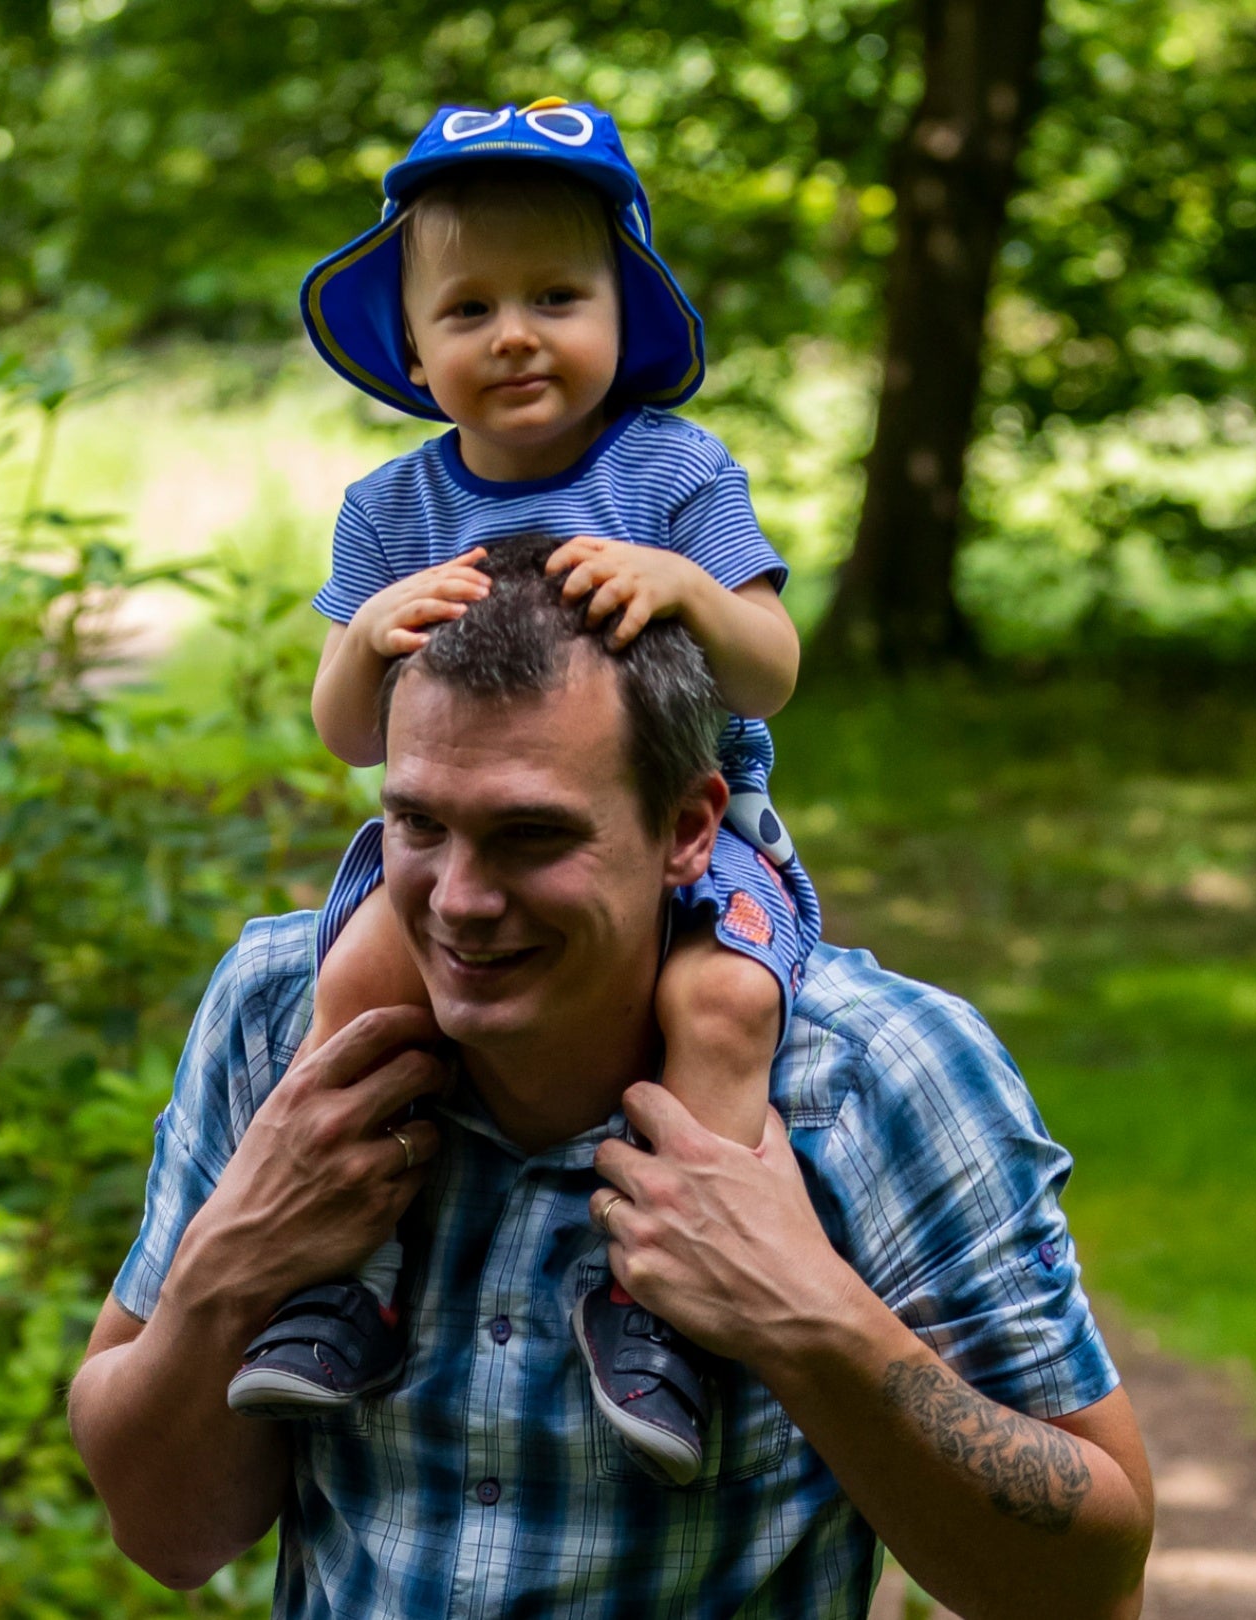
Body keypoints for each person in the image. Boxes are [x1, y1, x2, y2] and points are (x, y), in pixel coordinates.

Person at [67, 543, 1154, 1615]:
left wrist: (809, 1320)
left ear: (688, 828)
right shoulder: (279, 1015)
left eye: (531, 836)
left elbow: (1087, 1590)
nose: (459, 898)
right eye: (418, 825)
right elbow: (164, 1534)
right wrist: (235, 1262)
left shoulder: (878, 1073)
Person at [226, 98, 818, 1489]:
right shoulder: (392, 510)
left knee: (725, 1001)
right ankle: (347, 1276)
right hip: (461, 846)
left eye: (558, 296)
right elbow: (340, 734)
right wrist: (368, 637)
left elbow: (775, 670)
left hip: (687, 836)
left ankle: (665, 1304)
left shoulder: (672, 472)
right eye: (470, 307)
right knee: (361, 985)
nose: (515, 334)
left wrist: (686, 590)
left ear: (626, 312)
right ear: (417, 352)